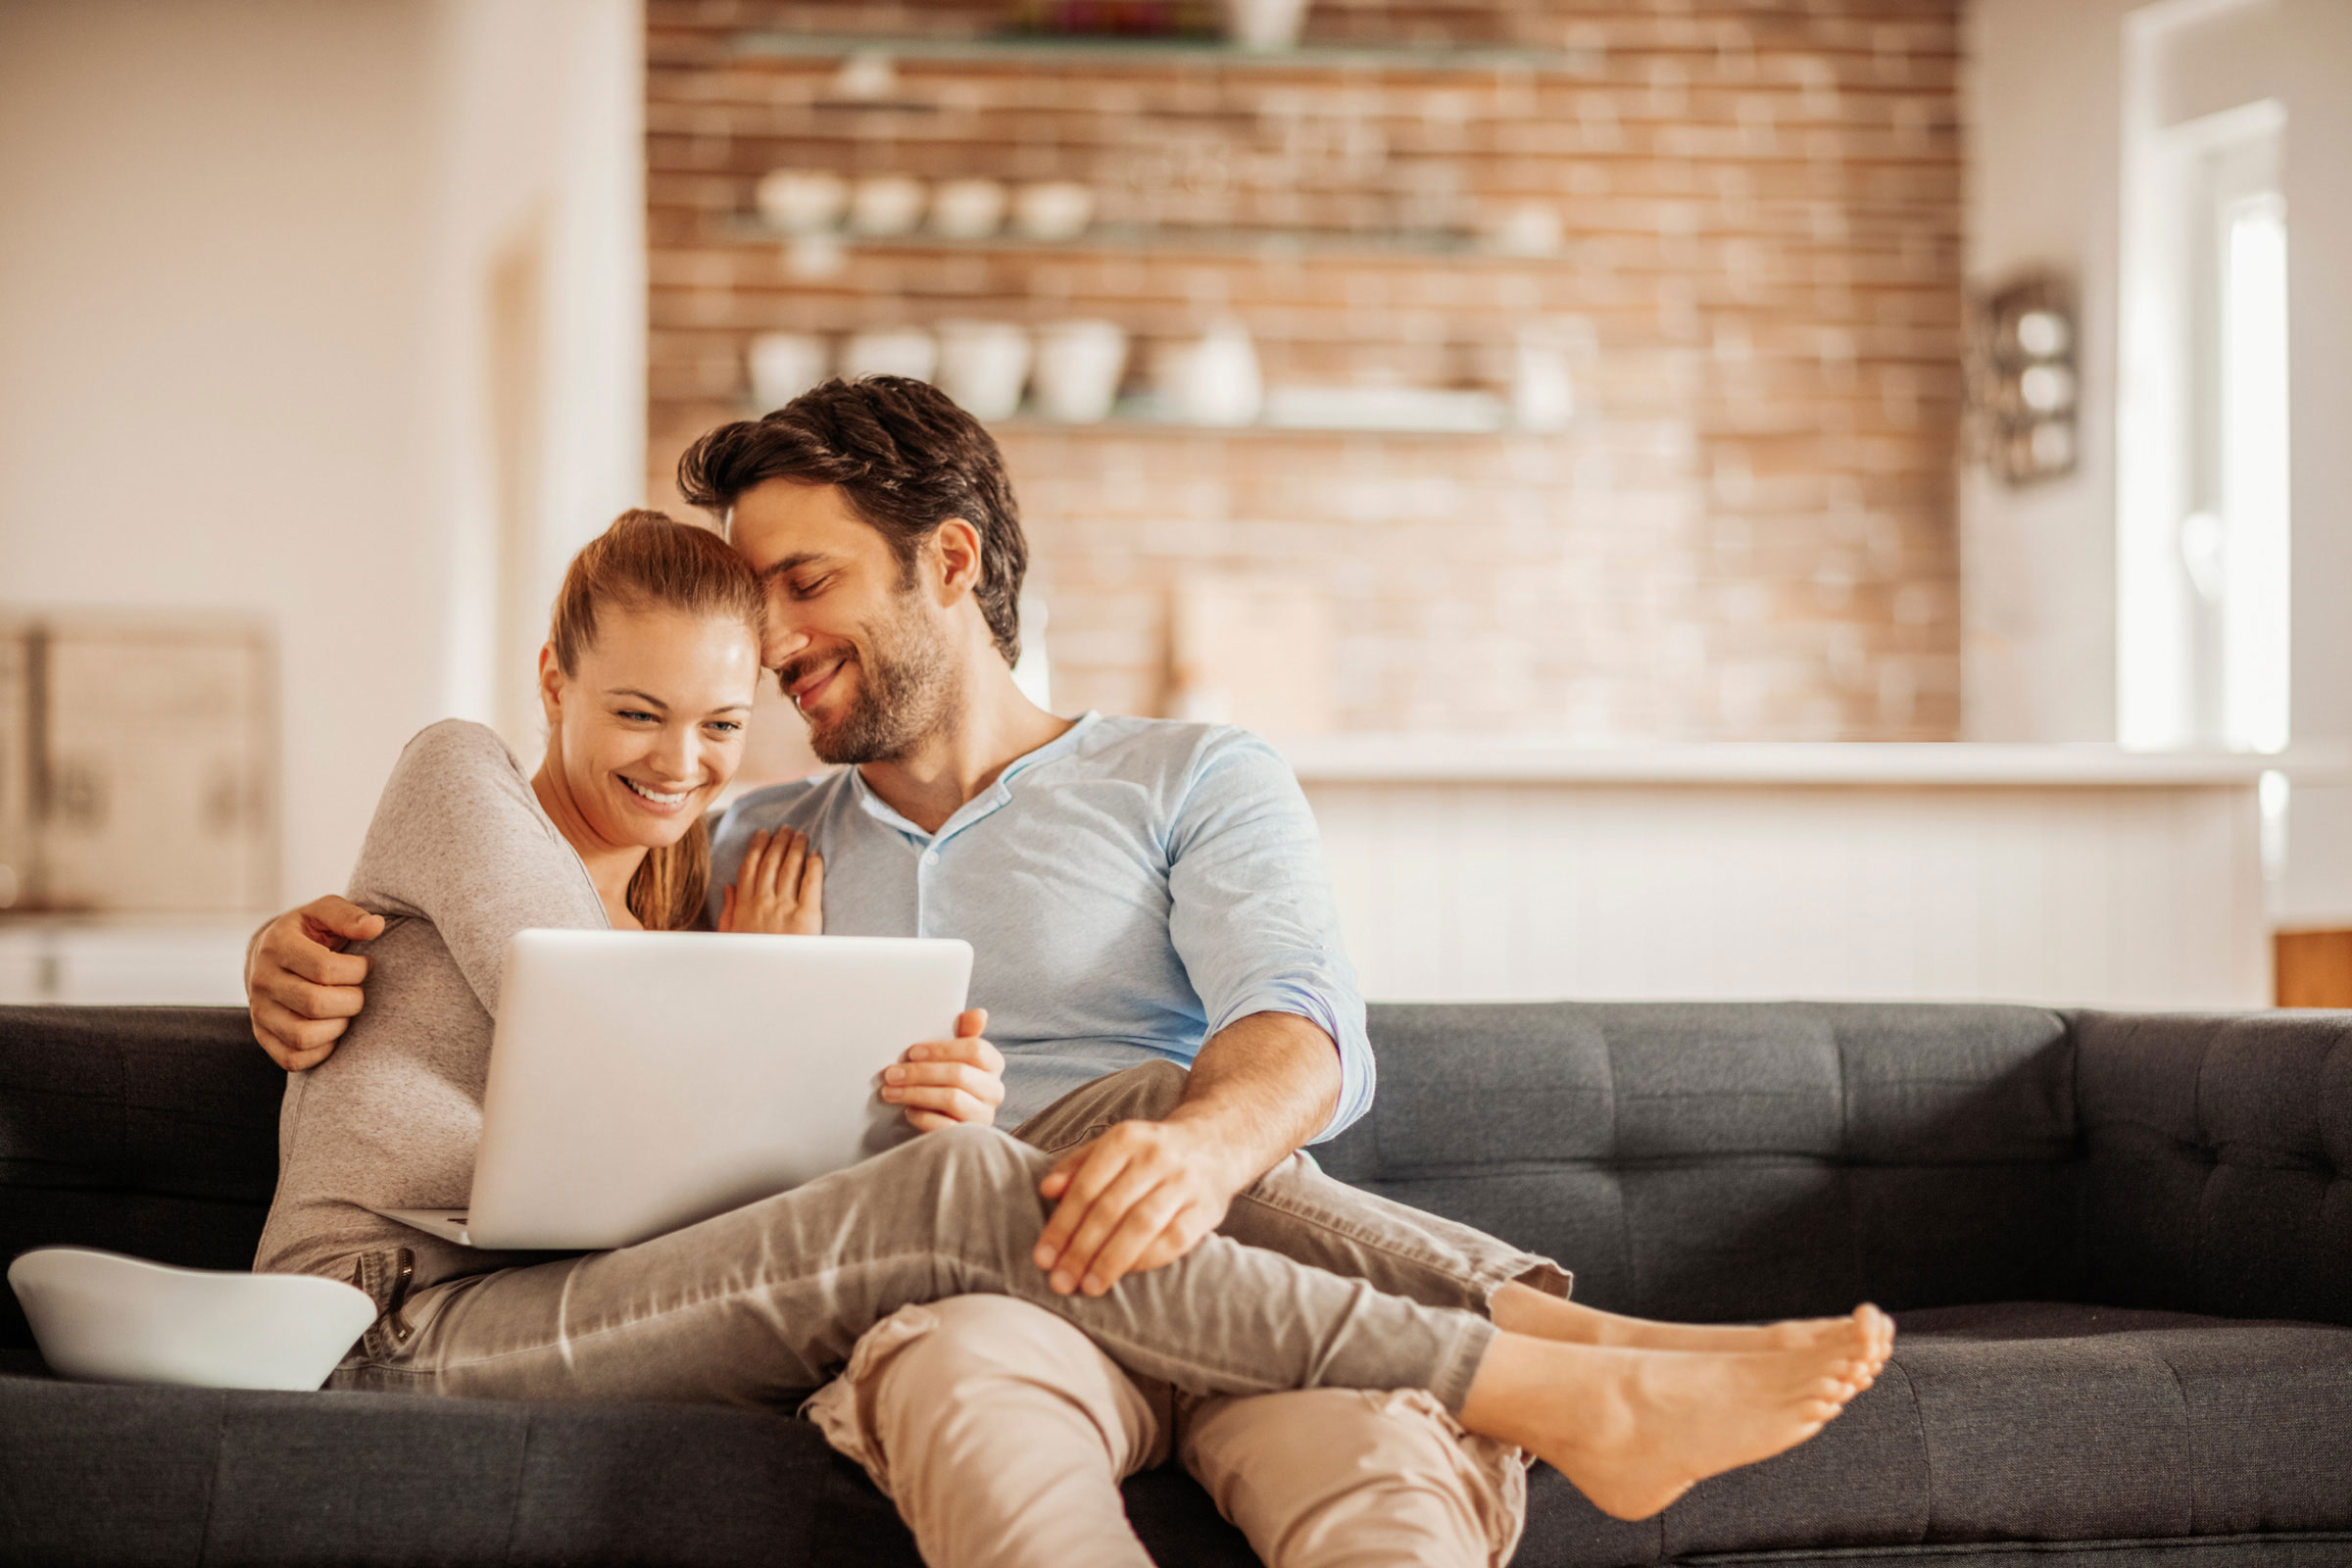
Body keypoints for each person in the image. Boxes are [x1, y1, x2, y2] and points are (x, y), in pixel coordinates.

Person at [248, 388, 1894, 1563]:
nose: (753, 671)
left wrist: (1182, 1151)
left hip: (1180, 1227)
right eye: (688, 678)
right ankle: (1560, 1378)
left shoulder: (1181, 777)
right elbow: (566, 1024)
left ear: (950, 566)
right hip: (915, 1298)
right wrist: (289, 954)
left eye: (798, 594)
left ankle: (1583, 1342)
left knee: (1140, 1106)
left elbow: (1297, 1037)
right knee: (975, 1205)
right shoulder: (741, 841)